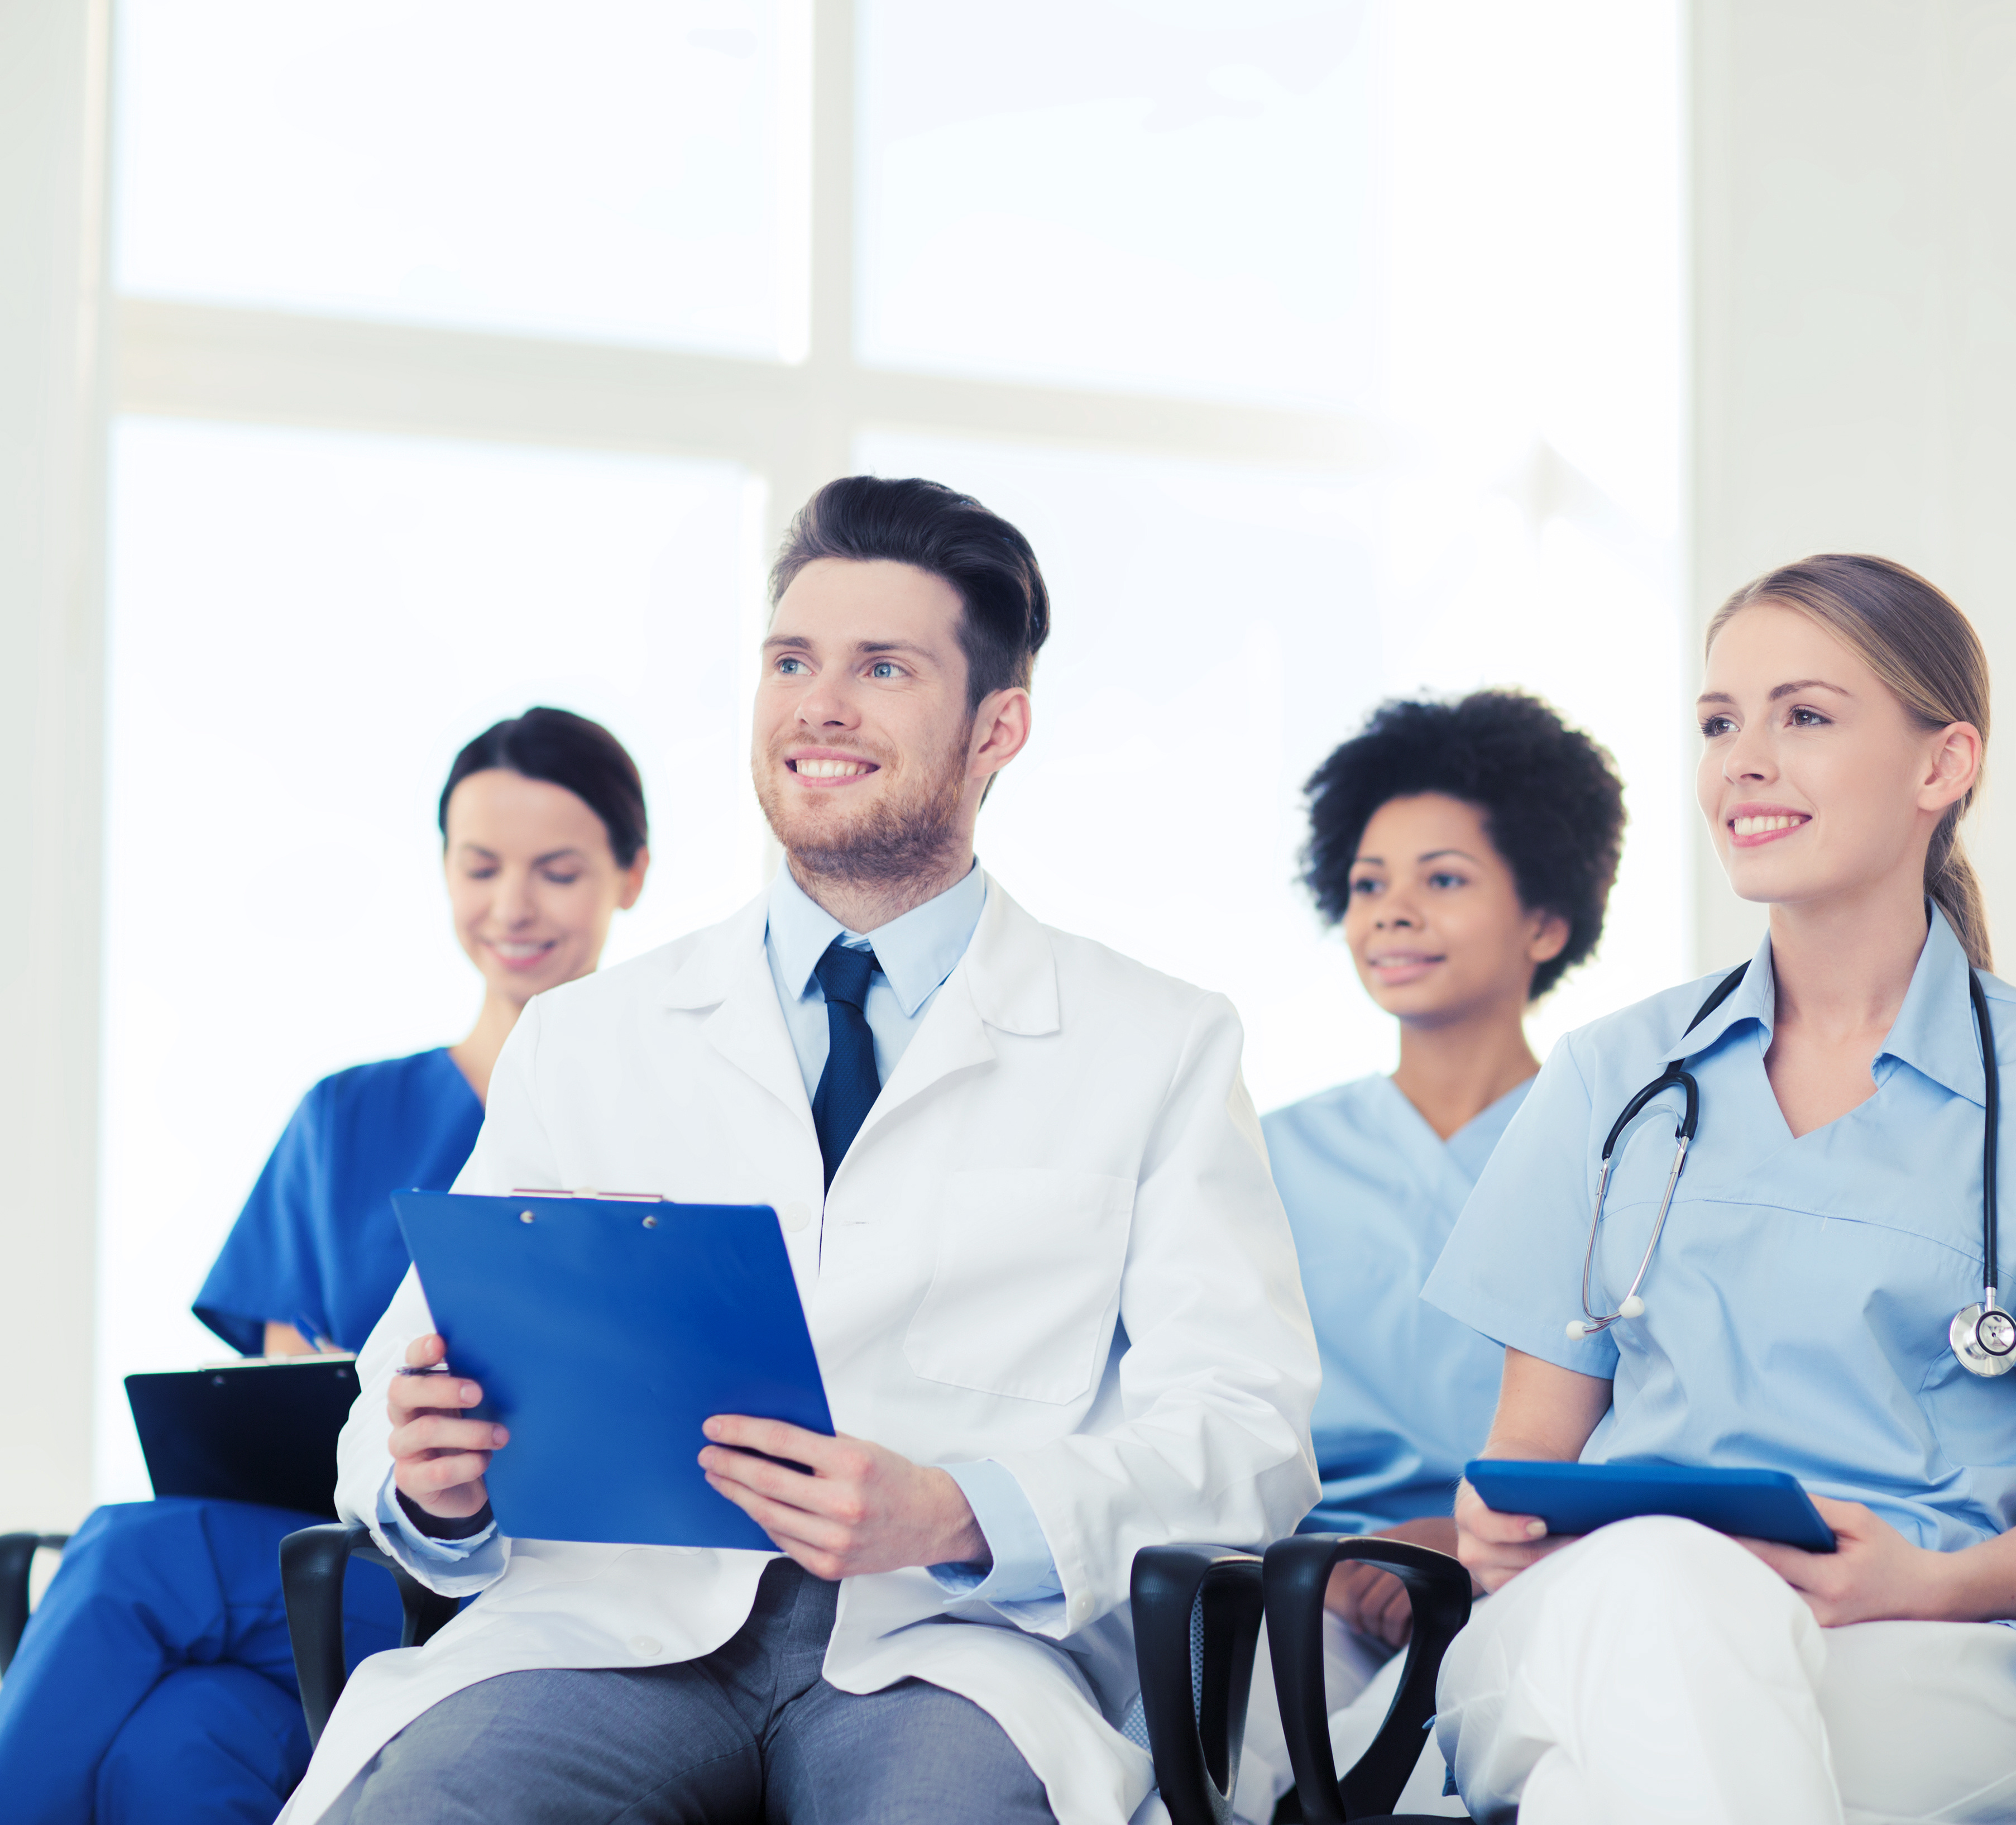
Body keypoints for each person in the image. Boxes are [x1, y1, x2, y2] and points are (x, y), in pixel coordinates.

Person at [280, 476, 1320, 1825]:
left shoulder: (1157, 1043)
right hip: (609, 1626)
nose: (820, 705)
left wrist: (960, 1511)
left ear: (998, 723)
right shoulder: (590, 1037)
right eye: (792, 661)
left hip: (942, 1649)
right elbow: (397, 1399)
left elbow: (1249, 1433)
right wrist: (429, 1476)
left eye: (882, 667)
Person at [1419, 555, 2016, 1824]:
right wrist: (1494, 1527)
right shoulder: (1614, 1077)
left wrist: (1921, 1579)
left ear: (1945, 766)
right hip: (1593, 1608)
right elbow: (1520, 1460)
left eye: (1805, 716)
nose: (1743, 760)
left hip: (1940, 1640)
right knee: (1661, 1595)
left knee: (1604, 1781)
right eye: (1720, 723)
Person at [0, 708, 651, 1825]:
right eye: (481, 865)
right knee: (175, 1743)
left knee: (127, 1551)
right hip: (325, 1565)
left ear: (630, 874)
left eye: (557, 870)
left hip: (523, 1587)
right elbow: (279, 1394)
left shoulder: (660, 1122)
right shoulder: (348, 1115)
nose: (514, 906)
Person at [1241, 692, 1625, 1812]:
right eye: (1369, 884)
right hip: (1312, 1587)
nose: (1393, 912)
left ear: (1545, 921)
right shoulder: (1268, 1155)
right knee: (1216, 1748)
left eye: (1443, 879)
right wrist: (1348, 1555)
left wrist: (1446, 1538)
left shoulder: (1620, 1154)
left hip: (1530, 1574)